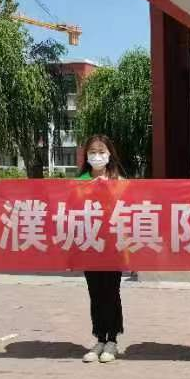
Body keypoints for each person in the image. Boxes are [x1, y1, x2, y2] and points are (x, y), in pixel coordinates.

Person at [78, 135, 126, 364]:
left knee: (111, 291)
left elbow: (128, 208)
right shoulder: (79, 182)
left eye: (101, 151)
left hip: (113, 246)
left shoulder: (118, 180)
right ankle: (99, 337)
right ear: (86, 155)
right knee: (95, 292)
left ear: (109, 154)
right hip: (90, 245)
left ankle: (112, 340)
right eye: (92, 152)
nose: (97, 156)